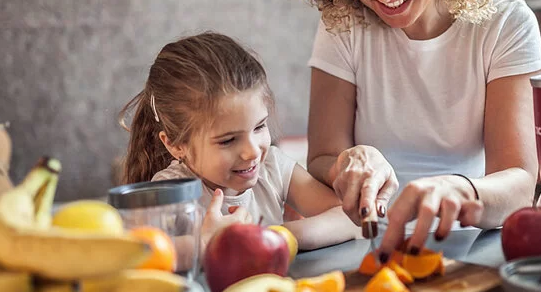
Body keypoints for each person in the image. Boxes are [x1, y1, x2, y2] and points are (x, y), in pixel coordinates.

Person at [277, 0, 541, 261]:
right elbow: (322, 156)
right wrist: (349, 161)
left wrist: (459, 190)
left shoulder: (506, 25)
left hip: (466, 243)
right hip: (364, 244)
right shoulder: (343, 24)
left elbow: (519, 182)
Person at [120, 32, 361, 260]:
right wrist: (207, 243)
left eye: (259, 127)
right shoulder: (170, 191)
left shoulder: (272, 167)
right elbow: (137, 254)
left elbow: (349, 219)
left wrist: (271, 237)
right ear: (175, 145)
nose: (253, 151)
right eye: (228, 140)